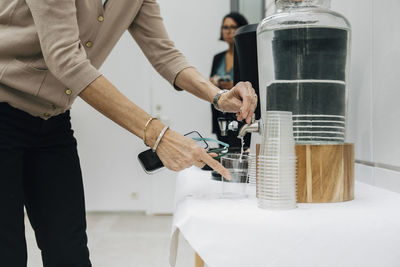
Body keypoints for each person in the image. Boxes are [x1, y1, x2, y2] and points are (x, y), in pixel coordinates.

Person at [0, 0, 257, 266]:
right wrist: (157, 134)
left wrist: (218, 96)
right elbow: (66, 60)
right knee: (7, 252)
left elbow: (164, 53)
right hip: (3, 108)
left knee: (70, 252)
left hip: (52, 121)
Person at [210, 12, 251, 149]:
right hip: (220, 114)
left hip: (239, 114)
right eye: (225, 27)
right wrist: (213, 83)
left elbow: (250, 83)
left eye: (233, 27)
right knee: (223, 150)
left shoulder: (247, 57)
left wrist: (232, 85)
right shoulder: (218, 58)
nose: (228, 31)